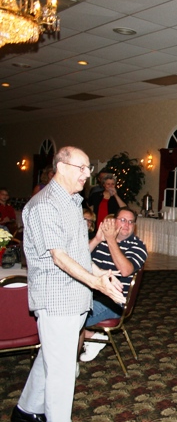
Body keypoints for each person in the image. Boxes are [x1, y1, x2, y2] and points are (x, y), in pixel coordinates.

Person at [12, 146, 124, 422]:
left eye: (88, 168)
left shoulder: (72, 202)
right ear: (61, 168)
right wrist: (96, 282)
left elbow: (78, 253)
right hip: (56, 298)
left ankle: (26, 411)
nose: (88, 174)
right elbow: (59, 257)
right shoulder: (45, 205)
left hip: (75, 297)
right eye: (81, 168)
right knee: (62, 372)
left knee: (51, 358)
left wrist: (100, 272)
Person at [80, 207, 148, 362]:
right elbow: (77, 259)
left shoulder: (138, 246)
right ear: (114, 221)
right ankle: (91, 337)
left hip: (112, 302)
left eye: (131, 222)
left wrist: (111, 240)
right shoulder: (101, 243)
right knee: (59, 311)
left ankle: (88, 339)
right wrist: (97, 240)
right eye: (123, 220)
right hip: (88, 295)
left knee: (68, 318)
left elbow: (125, 270)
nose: (127, 225)